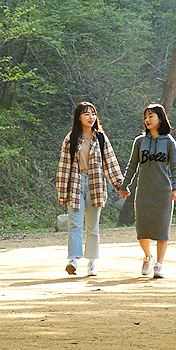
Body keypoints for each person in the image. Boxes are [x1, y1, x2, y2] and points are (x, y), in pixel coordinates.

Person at [55, 101, 129, 277]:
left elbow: (110, 163)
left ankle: (92, 263)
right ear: (79, 117)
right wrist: (62, 191)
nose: (91, 117)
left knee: (93, 225)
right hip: (75, 182)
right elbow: (63, 166)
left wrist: (120, 186)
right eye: (86, 114)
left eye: (93, 114)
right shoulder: (70, 138)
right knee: (75, 223)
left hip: (95, 183)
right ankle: (72, 260)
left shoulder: (101, 138)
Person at [121, 103, 176, 279]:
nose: (147, 120)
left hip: (163, 191)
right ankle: (148, 257)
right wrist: (124, 185)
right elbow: (132, 165)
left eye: (151, 116)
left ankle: (160, 264)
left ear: (160, 119)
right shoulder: (140, 142)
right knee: (142, 229)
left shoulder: (169, 142)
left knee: (162, 229)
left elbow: (175, 167)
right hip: (144, 191)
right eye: (145, 117)